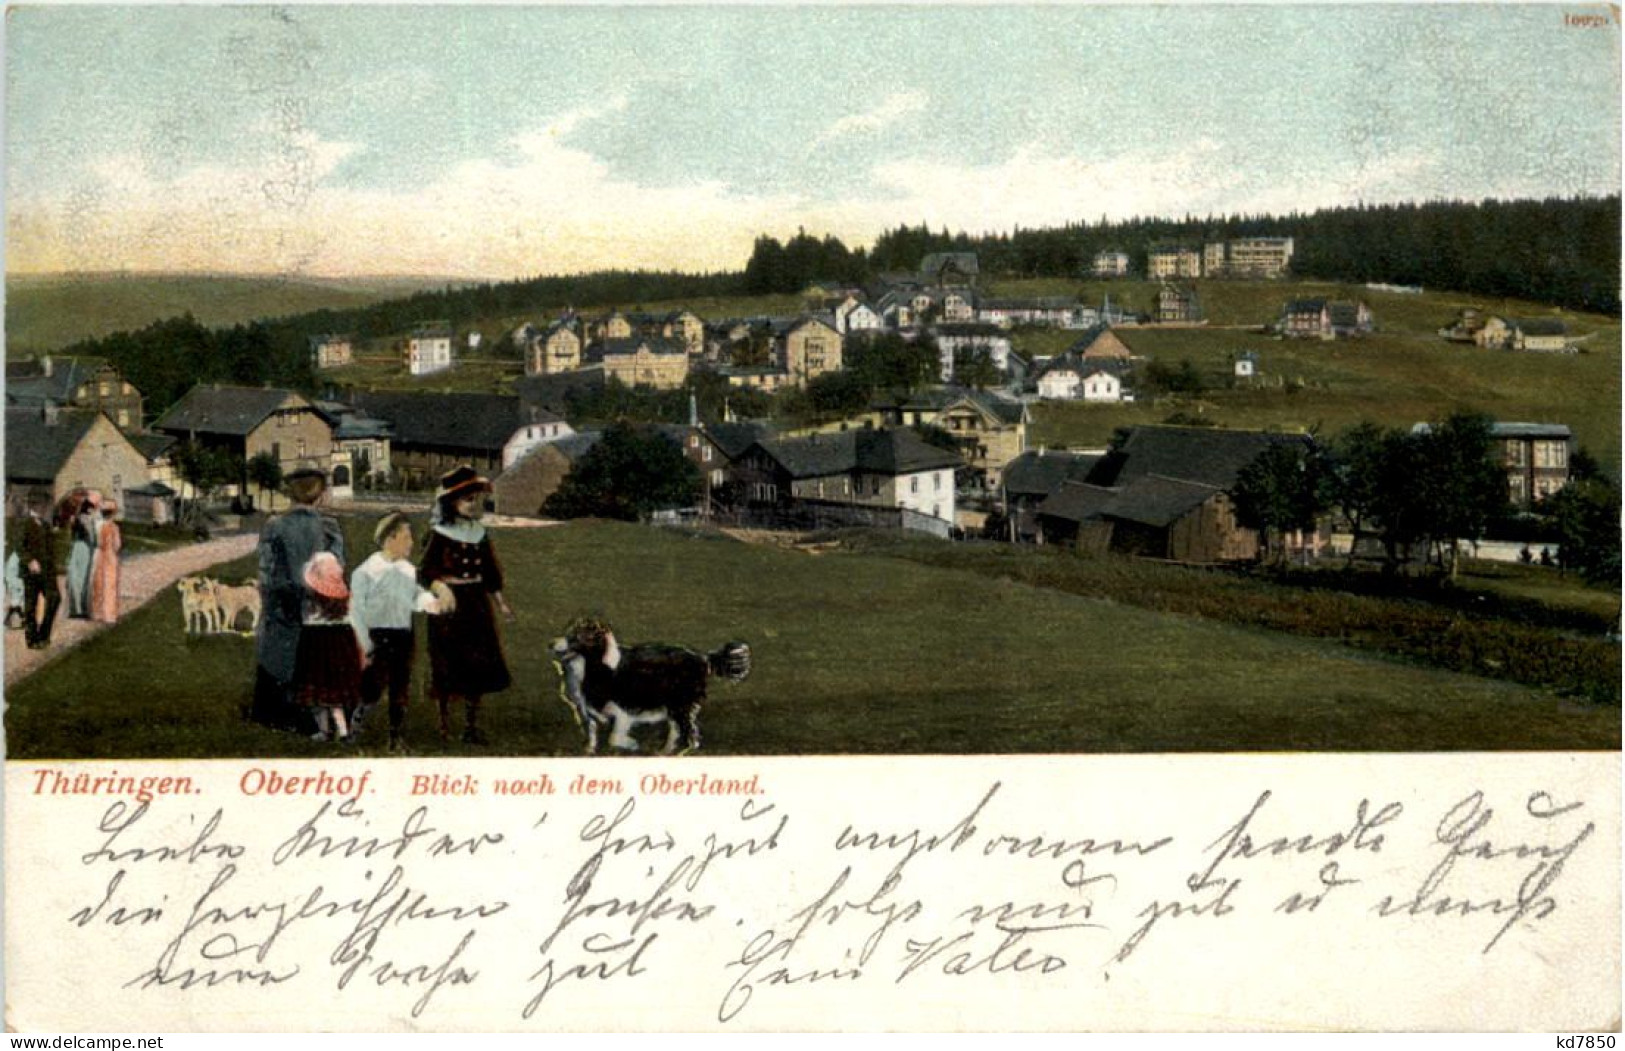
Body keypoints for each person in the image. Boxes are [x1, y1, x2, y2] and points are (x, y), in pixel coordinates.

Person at [419, 466, 513, 745]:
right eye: (468, 500)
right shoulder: (439, 534)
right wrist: (440, 587)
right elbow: (424, 572)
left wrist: (502, 603)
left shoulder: (479, 534)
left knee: (477, 663)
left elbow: (491, 572)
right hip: (448, 606)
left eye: (477, 500)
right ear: (452, 503)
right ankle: (444, 725)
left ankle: (471, 726)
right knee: (448, 663)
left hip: (475, 603)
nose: (475, 505)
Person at [253, 466, 344, 733]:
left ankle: (273, 713)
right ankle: (308, 714)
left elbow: (266, 568)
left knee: (278, 653)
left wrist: (269, 596)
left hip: (282, 598)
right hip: (315, 599)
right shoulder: (328, 527)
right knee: (312, 653)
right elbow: (336, 568)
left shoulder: (275, 526)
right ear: (320, 495)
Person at [350, 511, 449, 752]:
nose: (412, 543)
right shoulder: (366, 571)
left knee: (400, 687)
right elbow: (356, 611)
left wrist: (430, 604)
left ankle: (396, 738)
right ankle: (355, 722)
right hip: (376, 637)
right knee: (372, 685)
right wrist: (365, 643)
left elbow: (415, 595)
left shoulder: (407, 569)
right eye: (406, 537)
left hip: (403, 635)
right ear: (390, 539)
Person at [294, 551, 362, 743]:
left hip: (317, 645)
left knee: (320, 693)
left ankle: (330, 731)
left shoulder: (312, 603)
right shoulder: (344, 603)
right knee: (334, 696)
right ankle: (342, 731)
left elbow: (306, 619)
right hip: (340, 645)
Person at [19, 492, 61, 650]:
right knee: (31, 605)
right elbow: (19, 547)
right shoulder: (24, 524)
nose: (44, 508)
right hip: (31, 573)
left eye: (45, 505)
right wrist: (30, 560)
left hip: (47, 572)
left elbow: (51, 550)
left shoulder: (45, 525)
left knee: (55, 598)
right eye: (41, 505)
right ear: (33, 505)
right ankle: (32, 639)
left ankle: (44, 633)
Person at [65, 492, 99, 619]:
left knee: (76, 577)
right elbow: (92, 537)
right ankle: (81, 608)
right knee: (82, 578)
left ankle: (77, 608)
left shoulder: (79, 518)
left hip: (77, 547)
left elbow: (73, 535)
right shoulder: (86, 519)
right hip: (84, 548)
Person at [90, 501, 123, 624]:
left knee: (98, 583)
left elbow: (97, 542)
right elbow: (117, 545)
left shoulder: (97, 526)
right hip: (110, 556)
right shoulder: (114, 527)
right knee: (110, 585)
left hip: (99, 555)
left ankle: (97, 612)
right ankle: (109, 614)